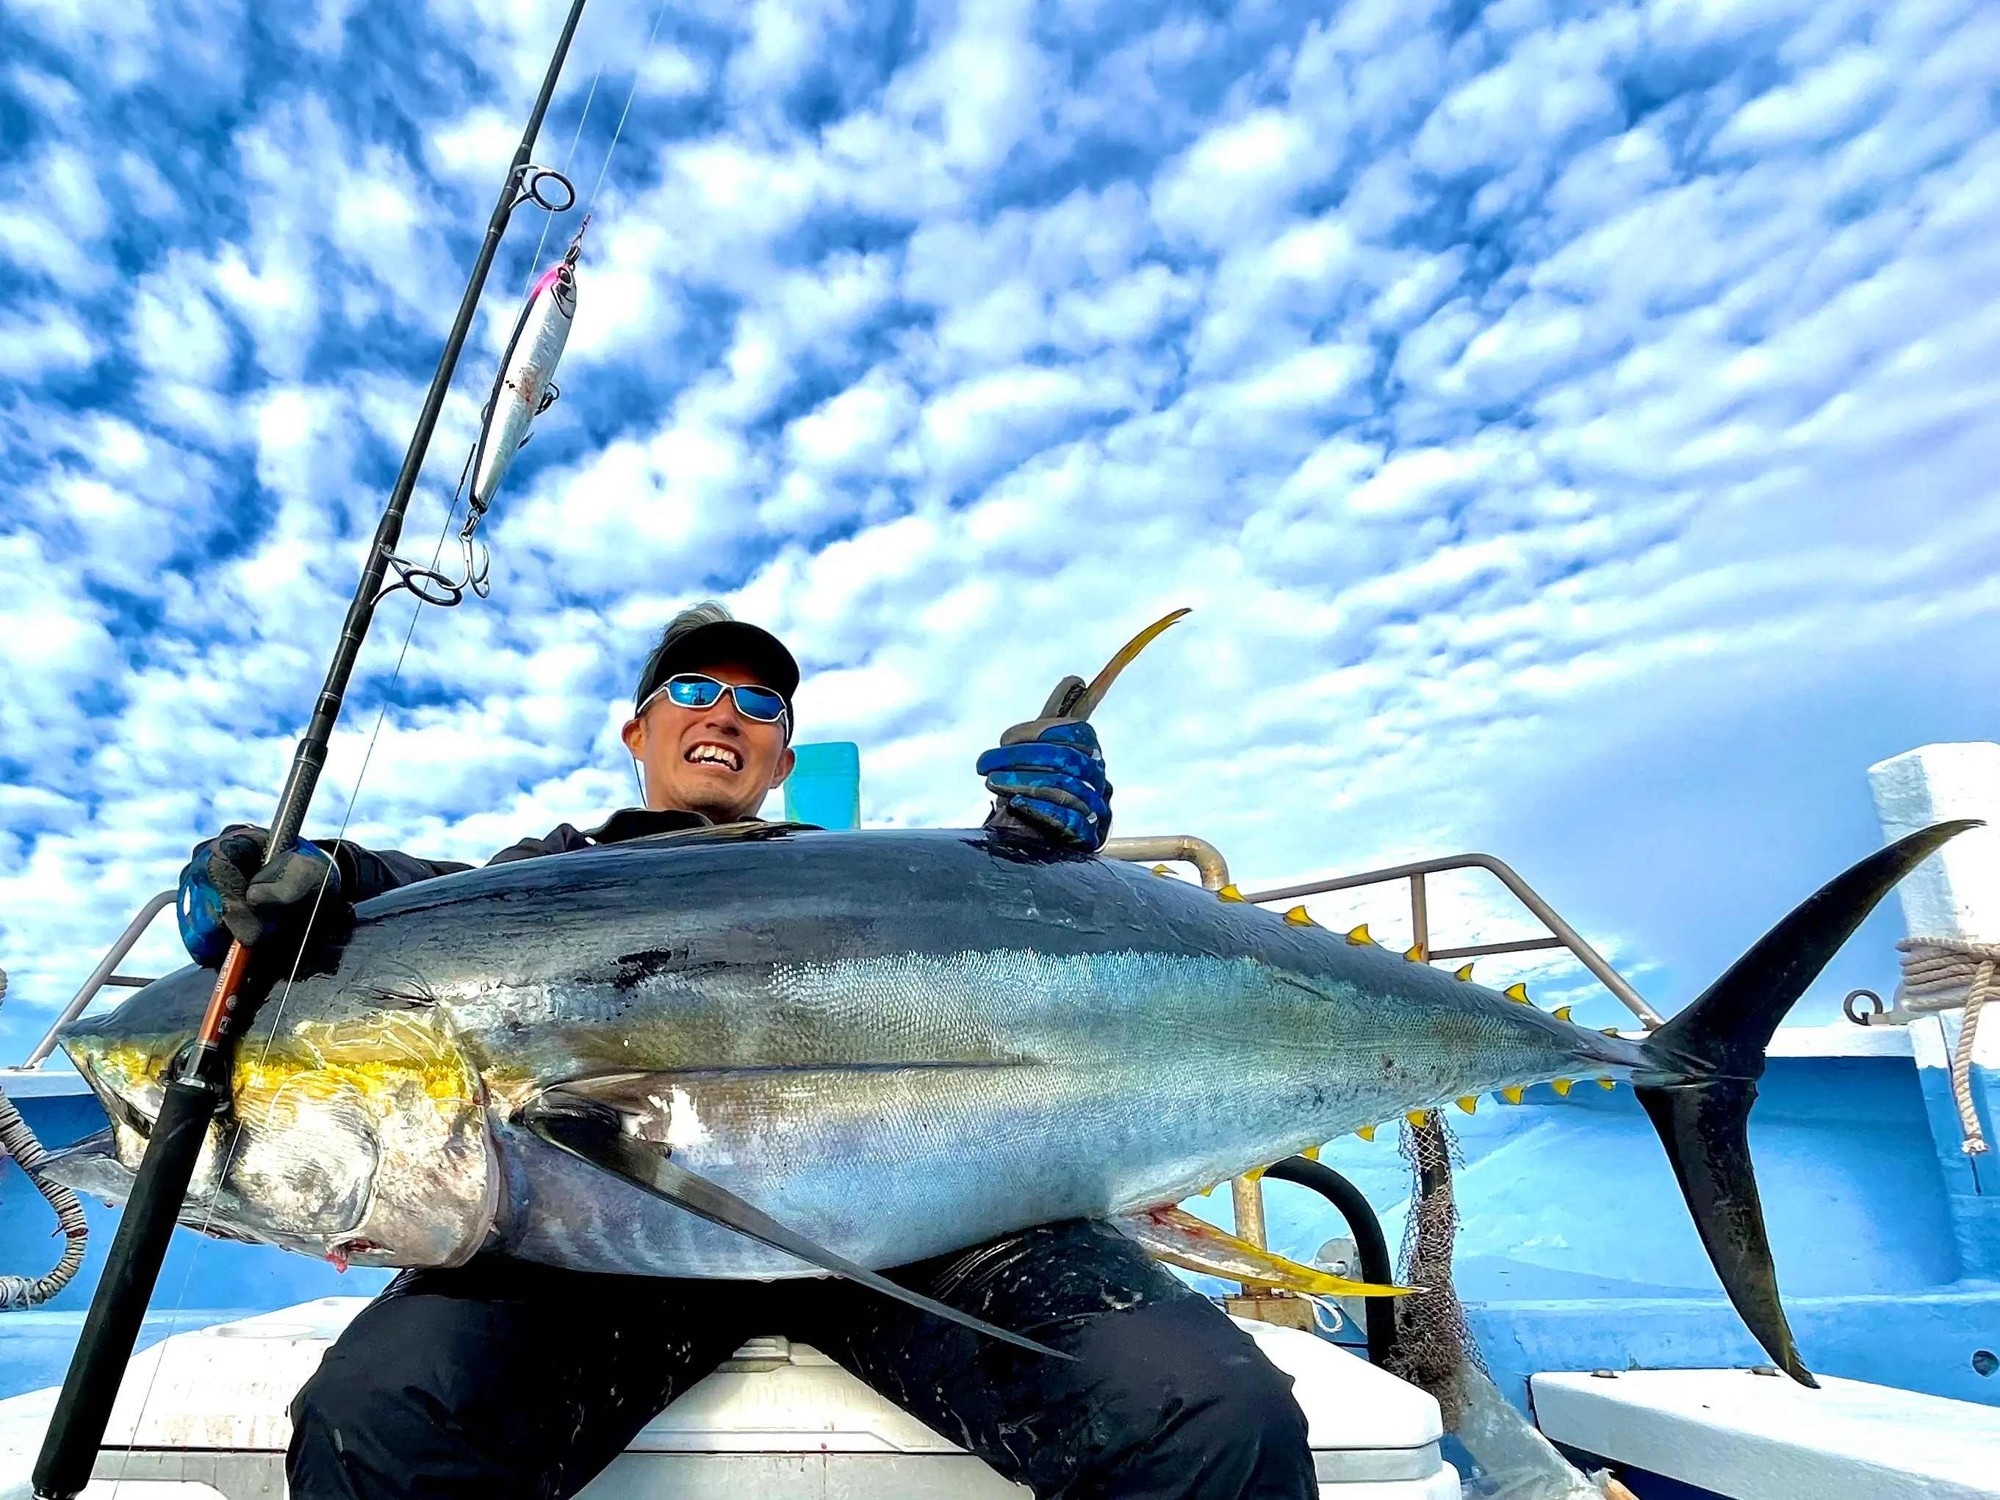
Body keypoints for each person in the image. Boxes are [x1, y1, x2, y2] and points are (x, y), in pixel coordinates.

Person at [176, 602, 1315, 1500]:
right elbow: (422, 915)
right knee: (383, 1414)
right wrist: (306, 873)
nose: (722, 712)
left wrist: (1035, 860)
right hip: (594, 1246)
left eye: (757, 701)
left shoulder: (866, 876)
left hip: (929, 1233)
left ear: (779, 758)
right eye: (692, 687)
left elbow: (1006, 955)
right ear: (637, 731)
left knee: (1210, 1416)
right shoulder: (544, 878)